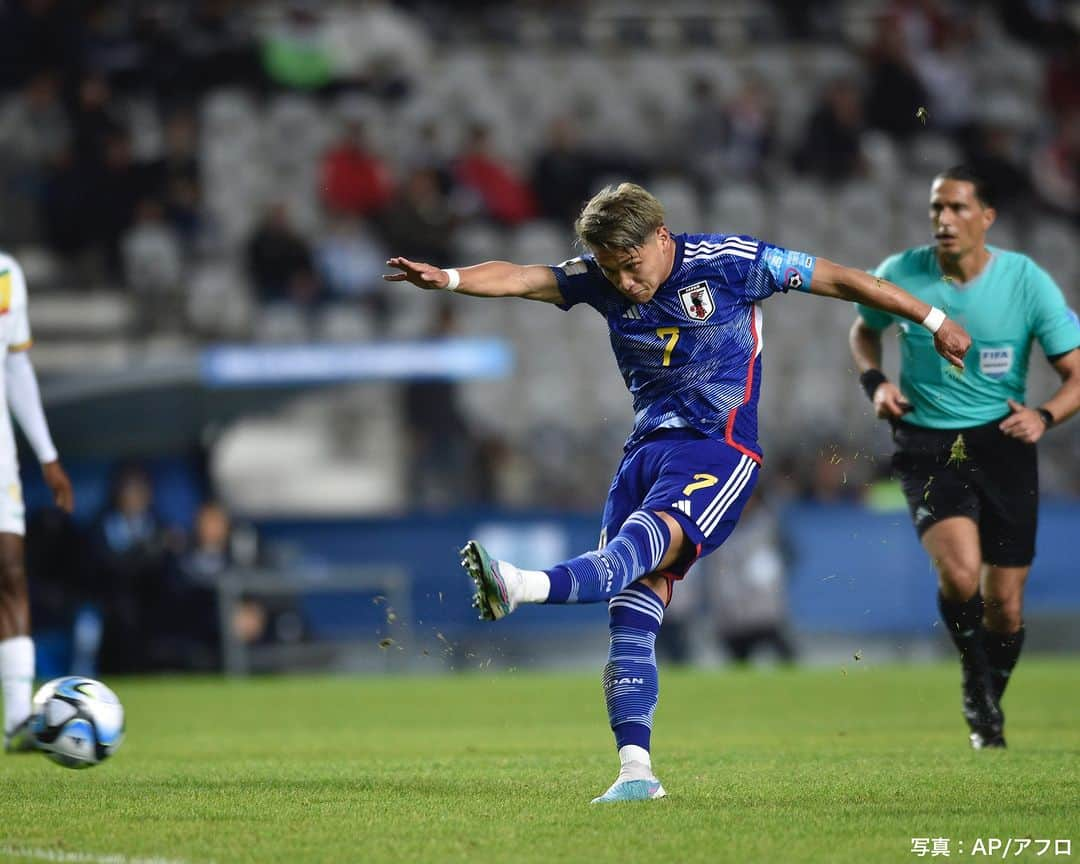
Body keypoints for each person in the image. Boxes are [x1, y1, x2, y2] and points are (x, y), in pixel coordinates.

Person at [384, 182, 971, 803]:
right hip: (644, 453)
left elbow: (842, 279)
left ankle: (520, 585)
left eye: (631, 265)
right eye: (611, 269)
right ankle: (636, 773)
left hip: (718, 449)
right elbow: (523, 278)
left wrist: (932, 320)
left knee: (640, 546)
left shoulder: (730, 263)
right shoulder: (601, 278)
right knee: (630, 623)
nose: (624, 282)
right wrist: (446, 279)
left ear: (661, 239)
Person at [849, 166, 1080, 749]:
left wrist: (1046, 414)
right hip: (927, 444)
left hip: (1003, 443)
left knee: (1005, 605)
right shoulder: (901, 273)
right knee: (958, 572)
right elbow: (863, 329)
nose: (943, 221)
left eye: (955, 208)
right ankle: (977, 682)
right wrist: (876, 382)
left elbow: (1075, 372)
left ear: (986, 217)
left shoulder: (1025, 281)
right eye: (935, 209)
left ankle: (985, 688)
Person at [0, 251, 74, 752]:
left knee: (10, 570)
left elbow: (16, 365)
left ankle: (17, 717)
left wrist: (47, 455)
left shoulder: (7, 272)